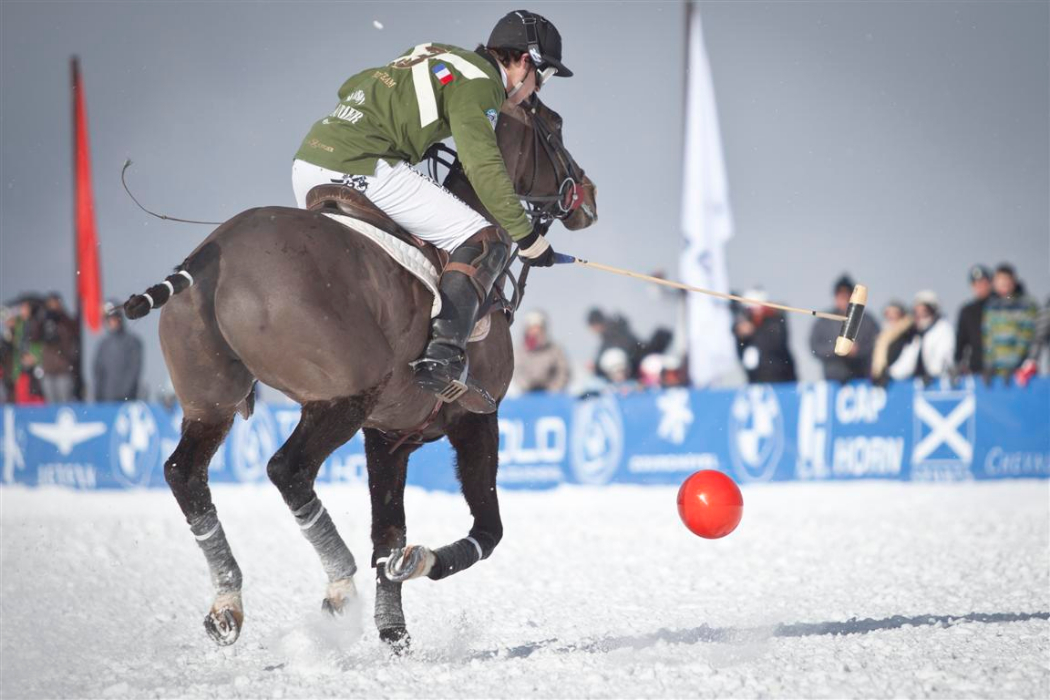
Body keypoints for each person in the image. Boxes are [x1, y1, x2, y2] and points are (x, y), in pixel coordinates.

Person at [291, 10, 572, 401]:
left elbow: (351, 86)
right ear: (524, 61)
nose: (537, 88)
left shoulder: (432, 52)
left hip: (308, 165)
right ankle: (442, 359)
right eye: (544, 75)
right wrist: (526, 237)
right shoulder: (482, 83)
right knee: (486, 238)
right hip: (364, 166)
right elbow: (482, 167)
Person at [809, 274, 879, 382]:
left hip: (861, 379)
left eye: (846, 295)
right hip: (833, 380)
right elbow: (815, 347)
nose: (843, 299)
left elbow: (876, 343)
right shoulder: (824, 320)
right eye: (840, 295)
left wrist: (858, 350)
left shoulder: (866, 320)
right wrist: (836, 349)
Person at [982, 263, 1038, 382]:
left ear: (1013, 281)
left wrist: (1013, 364)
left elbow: (1026, 338)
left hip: (1020, 373)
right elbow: (988, 339)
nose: (1003, 284)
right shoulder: (991, 307)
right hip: (996, 373)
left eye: (1006, 280)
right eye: (999, 280)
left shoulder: (1026, 305)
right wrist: (989, 365)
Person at [887, 291, 956, 383]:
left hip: (940, 383)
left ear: (933, 311)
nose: (919, 316)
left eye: (924, 312)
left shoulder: (943, 329)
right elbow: (907, 361)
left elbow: (944, 357)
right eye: (916, 312)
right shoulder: (918, 335)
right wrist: (890, 374)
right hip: (923, 383)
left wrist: (933, 373)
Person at [731, 289, 797, 384]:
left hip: (781, 377)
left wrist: (753, 332)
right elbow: (740, 349)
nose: (754, 313)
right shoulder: (746, 323)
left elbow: (775, 344)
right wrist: (741, 334)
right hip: (756, 379)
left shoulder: (775, 320)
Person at [93, 301, 143, 402]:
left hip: (127, 397)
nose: (112, 322)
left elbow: (134, 369)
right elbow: (98, 370)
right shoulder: (104, 344)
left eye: (114, 319)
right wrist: (98, 393)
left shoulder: (132, 342)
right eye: (109, 320)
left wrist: (126, 391)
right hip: (107, 396)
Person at [512, 310, 571, 393]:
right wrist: (528, 386)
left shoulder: (555, 350)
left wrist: (552, 388)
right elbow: (517, 372)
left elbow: (564, 371)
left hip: (552, 397)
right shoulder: (520, 352)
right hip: (527, 397)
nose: (535, 332)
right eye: (531, 328)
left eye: (538, 328)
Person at [39, 292, 79, 404]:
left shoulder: (65, 322)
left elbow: (73, 331)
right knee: (51, 404)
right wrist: (45, 317)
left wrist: (60, 315)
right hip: (48, 369)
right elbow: (35, 335)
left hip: (63, 368)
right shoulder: (44, 322)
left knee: (65, 403)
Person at [954, 264, 994, 375]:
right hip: (976, 369)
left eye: (983, 283)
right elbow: (961, 342)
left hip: (999, 370)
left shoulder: (999, 307)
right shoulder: (967, 311)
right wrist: (959, 363)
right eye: (976, 284)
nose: (979, 287)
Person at [586, 308, 643, 381]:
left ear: (596, 324)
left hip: (630, 372)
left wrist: (596, 367)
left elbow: (613, 354)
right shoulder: (614, 330)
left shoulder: (612, 334)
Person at [871, 301, 911, 385]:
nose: (891, 316)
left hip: (902, 380)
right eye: (888, 313)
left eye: (895, 313)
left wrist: (891, 373)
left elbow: (909, 358)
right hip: (885, 379)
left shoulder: (908, 333)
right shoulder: (882, 334)